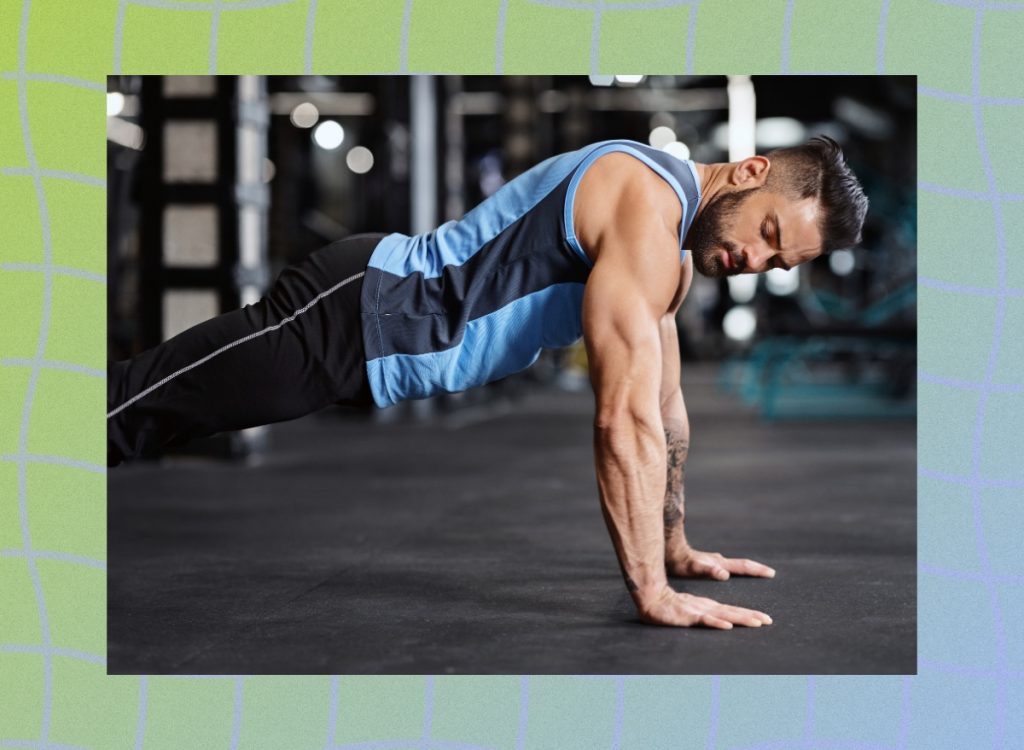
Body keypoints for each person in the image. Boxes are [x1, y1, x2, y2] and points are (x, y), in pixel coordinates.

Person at [108, 136, 868, 629]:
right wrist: (651, 592)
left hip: (374, 354)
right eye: (768, 232)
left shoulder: (671, 255)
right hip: (352, 313)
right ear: (751, 172)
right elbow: (621, 419)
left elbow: (666, 411)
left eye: (777, 262)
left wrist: (675, 547)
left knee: (158, 417)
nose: (755, 259)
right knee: (132, 408)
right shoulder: (646, 204)